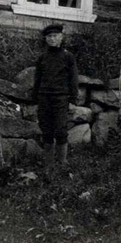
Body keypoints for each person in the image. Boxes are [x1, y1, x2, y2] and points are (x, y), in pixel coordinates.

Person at [31, 23, 79, 168]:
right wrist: (35, 99)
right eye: (49, 36)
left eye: (54, 36)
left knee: (60, 129)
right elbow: (37, 79)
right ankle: (49, 164)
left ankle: (63, 162)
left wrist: (72, 99)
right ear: (46, 39)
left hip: (61, 98)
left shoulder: (68, 57)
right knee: (46, 129)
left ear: (61, 37)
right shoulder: (42, 58)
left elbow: (73, 79)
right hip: (44, 97)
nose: (51, 39)